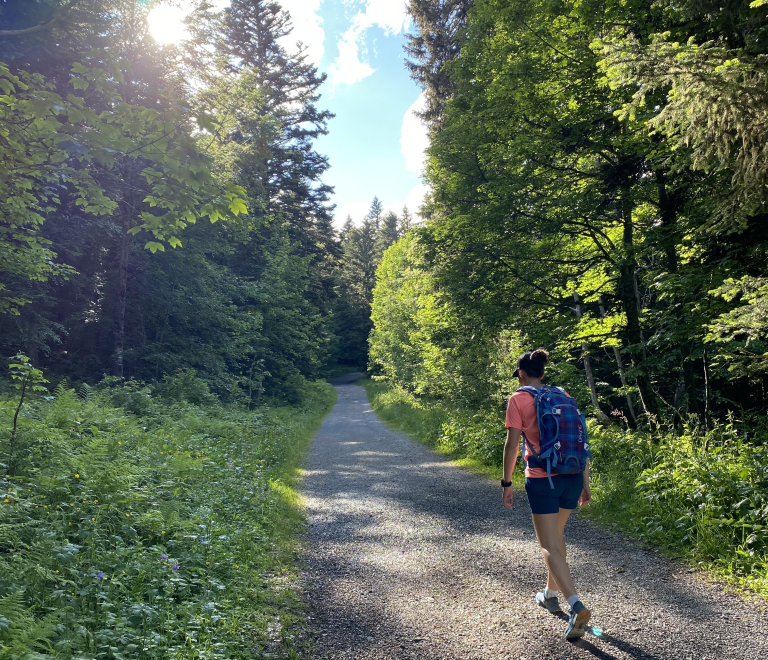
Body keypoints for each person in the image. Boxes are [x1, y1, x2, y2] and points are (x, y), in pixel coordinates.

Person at [500, 348, 592, 639]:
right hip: (573, 476)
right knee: (558, 537)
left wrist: (506, 483)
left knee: (549, 546)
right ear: (542, 373)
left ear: (522, 374)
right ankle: (549, 593)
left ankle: (576, 605)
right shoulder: (563, 396)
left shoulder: (519, 398)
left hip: (543, 479)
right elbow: (581, 442)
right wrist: (585, 483)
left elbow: (512, 445)